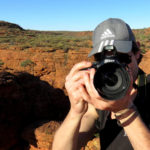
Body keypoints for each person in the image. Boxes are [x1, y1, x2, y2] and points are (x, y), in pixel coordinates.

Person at [52, 18, 150, 150]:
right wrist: (75, 112)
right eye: (102, 59)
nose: (113, 66)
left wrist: (125, 110)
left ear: (137, 52)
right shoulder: (100, 95)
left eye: (121, 58)